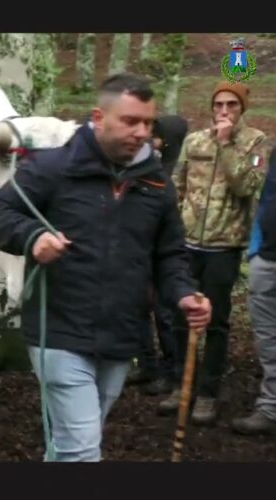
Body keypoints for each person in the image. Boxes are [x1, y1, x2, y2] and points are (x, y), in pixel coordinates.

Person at [0, 73, 211, 462]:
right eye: (130, 121)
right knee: (83, 451)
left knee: (70, 444)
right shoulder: (53, 167)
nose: (141, 132)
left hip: (121, 335)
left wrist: (185, 294)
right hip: (59, 332)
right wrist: (33, 238)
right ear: (99, 117)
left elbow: (169, 256)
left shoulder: (156, 185)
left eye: (148, 123)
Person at [158, 81, 270, 424]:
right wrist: (174, 227)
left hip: (225, 245)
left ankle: (207, 392)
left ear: (242, 109)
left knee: (217, 322)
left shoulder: (256, 143)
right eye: (219, 104)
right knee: (180, 315)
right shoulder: (195, 141)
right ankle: (180, 384)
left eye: (231, 105)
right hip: (189, 242)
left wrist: (227, 145)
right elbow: (179, 185)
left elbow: (246, 185)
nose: (223, 111)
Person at [128, 114, 190, 395]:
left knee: (164, 314)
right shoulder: (147, 165)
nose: (150, 140)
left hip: (161, 253)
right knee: (140, 310)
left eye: (157, 135)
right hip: (141, 250)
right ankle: (147, 363)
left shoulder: (170, 172)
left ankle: (169, 369)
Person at [231, 145, 276, 435]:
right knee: (268, 340)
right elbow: (267, 198)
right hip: (267, 259)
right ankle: (271, 408)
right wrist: (256, 249)